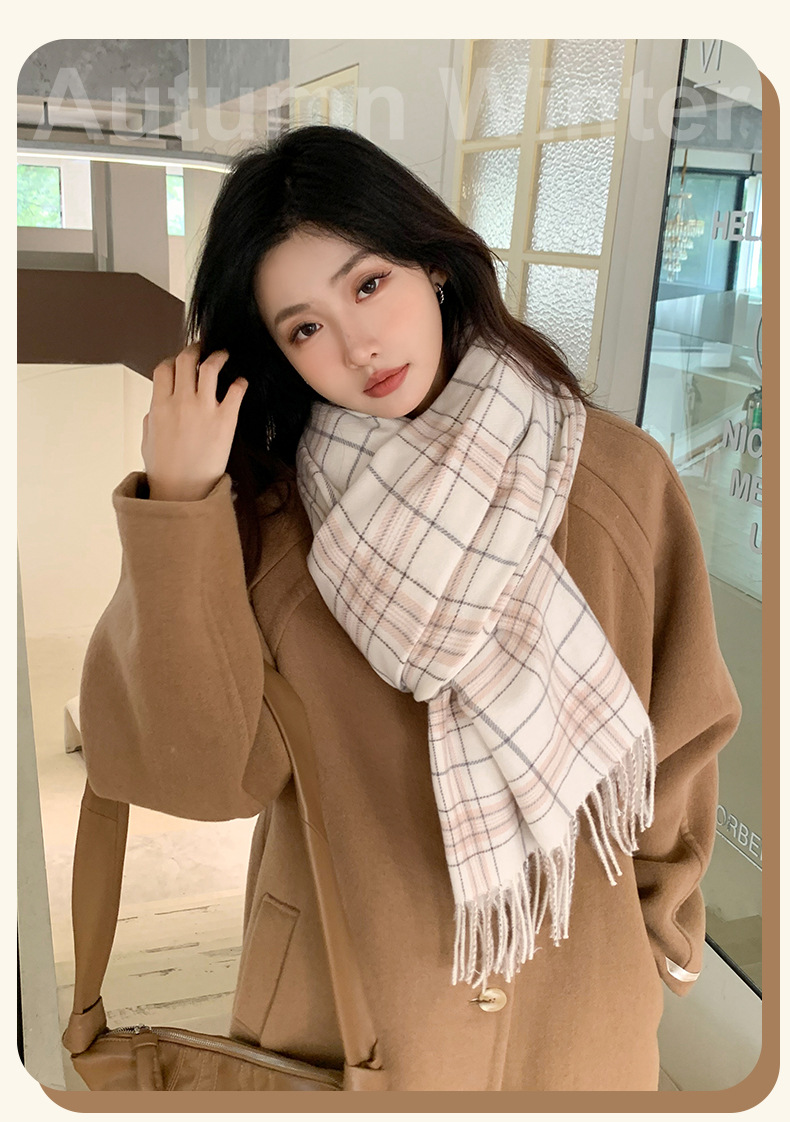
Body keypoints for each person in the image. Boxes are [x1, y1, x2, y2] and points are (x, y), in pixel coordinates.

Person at [78, 125, 742, 1092]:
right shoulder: (271, 528)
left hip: (580, 1025)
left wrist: (660, 938)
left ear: (431, 263)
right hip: (346, 1030)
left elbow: (680, 737)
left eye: (367, 284)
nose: (357, 346)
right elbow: (195, 777)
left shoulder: (614, 481)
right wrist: (179, 507)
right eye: (304, 328)